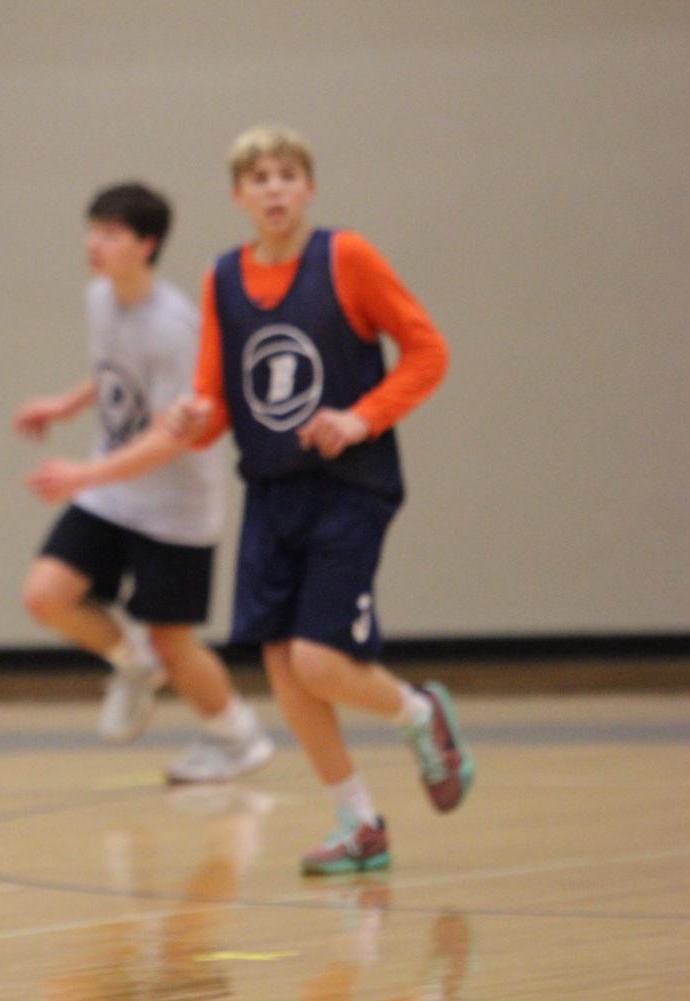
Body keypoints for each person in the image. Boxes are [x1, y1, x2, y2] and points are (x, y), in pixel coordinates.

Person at [27, 126, 473, 875]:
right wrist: (194, 419)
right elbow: (216, 394)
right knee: (282, 668)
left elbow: (427, 352)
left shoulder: (346, 258)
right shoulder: (223, 278)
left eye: (286, 174)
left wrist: (361, 416)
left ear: (308, 189)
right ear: (237, 196)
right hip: (268, 490)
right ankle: (358, 821)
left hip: (347, 485)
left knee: (317, 660)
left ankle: (418, 713)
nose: (272, 187)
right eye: (257, 177)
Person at [15, 182, 272, 783]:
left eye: (111, 234)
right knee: (45, 596)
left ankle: (238, 737)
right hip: (116, 486)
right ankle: (132, 664)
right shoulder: (101, 298)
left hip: (176, 503)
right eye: (92, 229)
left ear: (147, 244)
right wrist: (66, 404)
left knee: (175, 643)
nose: (94, 244)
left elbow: (171, 435)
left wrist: (82, 473)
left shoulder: (176, 327)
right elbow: (113, 371)